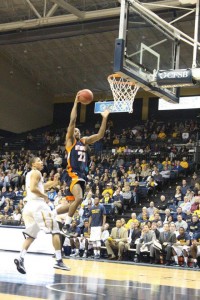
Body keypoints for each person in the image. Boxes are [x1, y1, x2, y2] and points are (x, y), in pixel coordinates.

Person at [62, 93, 109, 236]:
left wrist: (105, 117)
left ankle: (53, 215)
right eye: (73, 130)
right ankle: (66, 225)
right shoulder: (70, 142)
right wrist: (76, 102)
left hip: (82, 175)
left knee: (72, 205)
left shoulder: (84, 141)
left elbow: (100, 135)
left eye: (77, 130)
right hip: (72, 173)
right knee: (80, 198)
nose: (75, 130)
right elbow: (72, 120)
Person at [14, 157, 70, 274]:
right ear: (33, 164)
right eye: (39, 160)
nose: (41, 162)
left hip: (28, 207)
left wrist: (54, 182)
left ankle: (20, 258)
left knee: (31, 235)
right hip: (38, 206)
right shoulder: (36, 172)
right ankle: (59, 260)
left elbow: (41, 187)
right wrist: (44, 197)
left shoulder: (30, 174)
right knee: (55, 230)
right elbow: (35, 189)